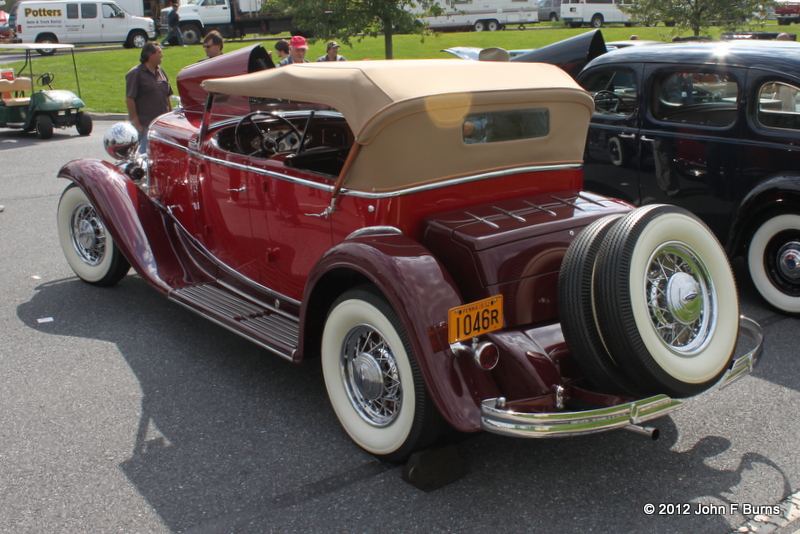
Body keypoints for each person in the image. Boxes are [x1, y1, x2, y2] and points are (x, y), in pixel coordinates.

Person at [125, 43, 173, 153]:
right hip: (146, 125)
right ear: (150, 55)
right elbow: (130, 99)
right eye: (159, 52)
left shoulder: (160, 72)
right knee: (143, 156)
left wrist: (170, 117)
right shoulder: (136, 74)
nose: (162, 55)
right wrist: (136, 124)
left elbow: (167, 96)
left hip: (162, 125)